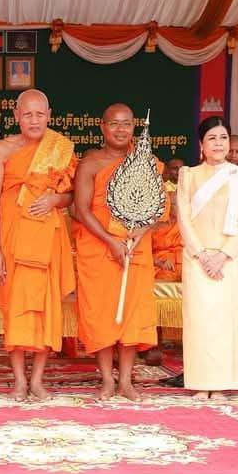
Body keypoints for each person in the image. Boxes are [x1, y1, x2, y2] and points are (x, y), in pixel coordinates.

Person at [0, 89, 77, 401]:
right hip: (13, 243)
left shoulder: (59, 148)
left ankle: (37, 380)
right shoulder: (3, 150)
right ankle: (19, 381)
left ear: (49, 115)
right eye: (28, 114)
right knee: (17, 309)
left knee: (46, 310)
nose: (34, 120)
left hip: (47, 241)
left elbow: (71, 196)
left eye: (40, 114)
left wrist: (55, 200)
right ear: (16, 116)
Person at [72, 103, 158, 401]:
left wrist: (137, 235)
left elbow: (157, 206)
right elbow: (82, 210)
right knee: (102, 315)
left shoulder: (145, 160)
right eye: (114, 123)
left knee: (131, 315)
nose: (121, 130)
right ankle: (107, 379)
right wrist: (110, 240)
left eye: (126, 124)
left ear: (134, 127)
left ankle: (126, 381)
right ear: (102, 127)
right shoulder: (91, 162)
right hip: (99, 247)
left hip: (135, 248)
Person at [177, 117, 238, 400]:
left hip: (228, 260)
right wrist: (202, 255)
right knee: (199, 322)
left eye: (223, 137)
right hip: (197, 259)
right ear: (201, 144)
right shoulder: (189, 174)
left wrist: (223, 255)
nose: (219, 143)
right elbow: (183, 217)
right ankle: (200, 382)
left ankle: (221, 383)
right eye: (212, 138)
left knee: (224, 322)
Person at [151, 191, 183, 282]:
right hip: (161, 264)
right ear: (167, 206)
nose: (180, 208)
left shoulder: (185, 224)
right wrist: (158, 262)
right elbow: (143, 252)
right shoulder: (155, 226)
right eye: (176, 205)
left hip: (181, 262)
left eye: (181, 204)